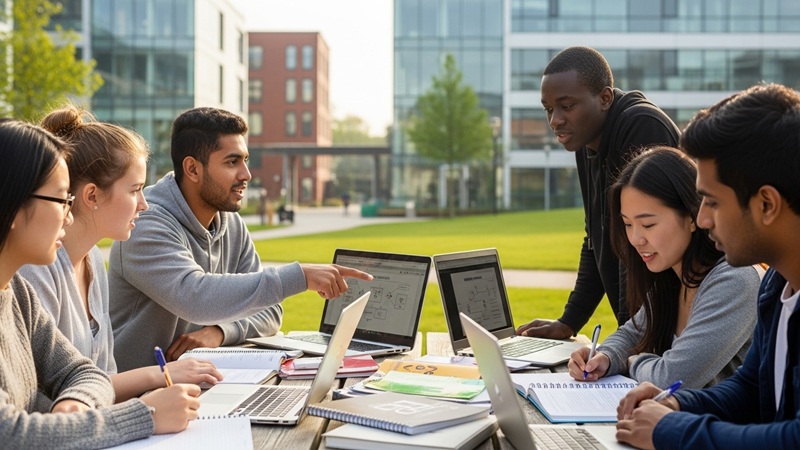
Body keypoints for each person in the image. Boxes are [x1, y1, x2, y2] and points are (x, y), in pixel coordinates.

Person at [108, 107, 372, 371]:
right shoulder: (144, 222)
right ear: (192, 169)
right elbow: (194, 297)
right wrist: (298, 276)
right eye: (232, 162)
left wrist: (221, 332)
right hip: (136, 392)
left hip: (200, 380)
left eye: (245, 160)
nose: (246, 174)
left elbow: (270, 312)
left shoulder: (230, 222)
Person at [615, 83, 800, 449]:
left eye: (712, 202)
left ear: (766, 204)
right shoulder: (776, 286)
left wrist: (671, 430)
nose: (702, 220)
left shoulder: (745, 281)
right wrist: (676, 401)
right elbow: (749, 389)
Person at [0, 118, 200, 448]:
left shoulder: (16, 293)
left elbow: (86, 373)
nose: (68, 214)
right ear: (13, 207)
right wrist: (146, 415)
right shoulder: (27, 281)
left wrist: (75, 405)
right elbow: (10, 435)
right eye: (62, 200)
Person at [18, 105, 223, 403]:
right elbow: (44, 402)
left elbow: (100, 382)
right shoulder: (34, 272)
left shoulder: (93, 263)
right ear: (92, 196)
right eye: (134, 190)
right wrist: (160, 379)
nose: (144, 204)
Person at [516, 46, 681, 340]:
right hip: (643, 329)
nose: (555, 120)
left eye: (566, 106)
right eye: (548, 109)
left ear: (605, 98)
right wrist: (569, 321)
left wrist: (630, 342)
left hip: (671, 329)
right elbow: (596, 238)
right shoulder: (587, 141)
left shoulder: (642, 127)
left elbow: (637, 244)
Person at [568, 147, 759, 389]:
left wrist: (634, 361)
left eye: (648, 224)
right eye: (627, 224)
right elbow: (632, 334)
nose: (636, 238)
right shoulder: (672, 276)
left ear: (692, 216)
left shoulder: (735, 281)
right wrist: (604, 357)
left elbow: (673, 378)